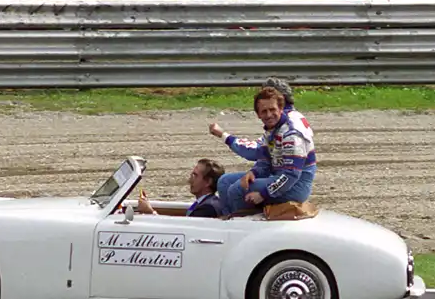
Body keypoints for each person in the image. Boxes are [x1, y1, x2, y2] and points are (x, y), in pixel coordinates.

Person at [209, 87, 317, 216]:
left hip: (296, 185)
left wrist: (263, 194)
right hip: (280, 178)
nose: (269, 115)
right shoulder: (271, 130)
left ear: (281, 109)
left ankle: (239, 225)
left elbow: (291, 175)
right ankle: (226, 218)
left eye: (272, 110)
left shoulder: (291, 135)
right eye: (264, 111)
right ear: (258, 114)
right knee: (224, 181)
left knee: (237, 189)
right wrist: (253, 172)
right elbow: (264, 161)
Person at [136, 158, 223, 217]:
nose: (190, 180)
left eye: (195, 176)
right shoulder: (205, 203)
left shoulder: (207, 208)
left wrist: (150, 212)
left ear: (208, 182)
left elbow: (183, 230)